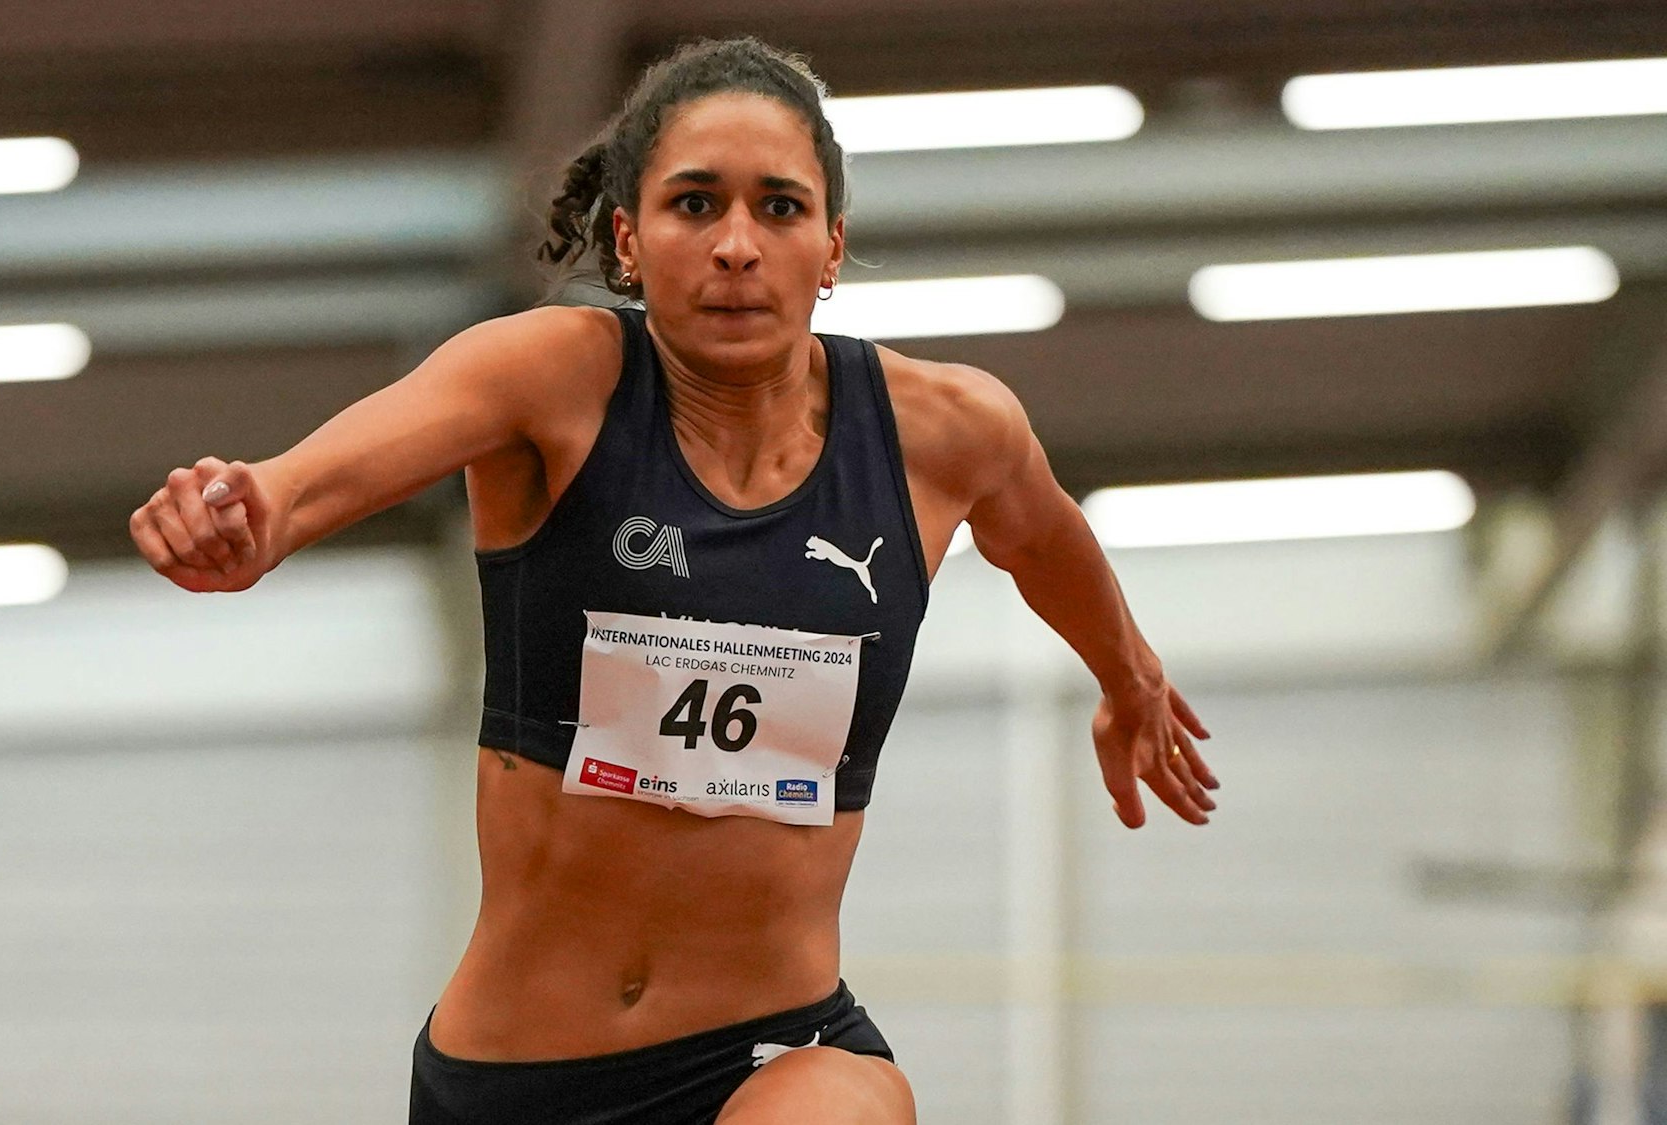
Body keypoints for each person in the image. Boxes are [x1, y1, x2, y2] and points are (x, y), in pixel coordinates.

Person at [129, 35, 1218, 1125]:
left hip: (776, 1050)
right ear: (628, 242)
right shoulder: (550, 379)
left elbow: (1041, 537)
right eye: (694, 206)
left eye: (779, 209)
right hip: (514, 1084)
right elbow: (296, 492)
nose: (737, 246)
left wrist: (1126, 678)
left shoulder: (943, 432)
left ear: (830, 246)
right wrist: (240, 518)